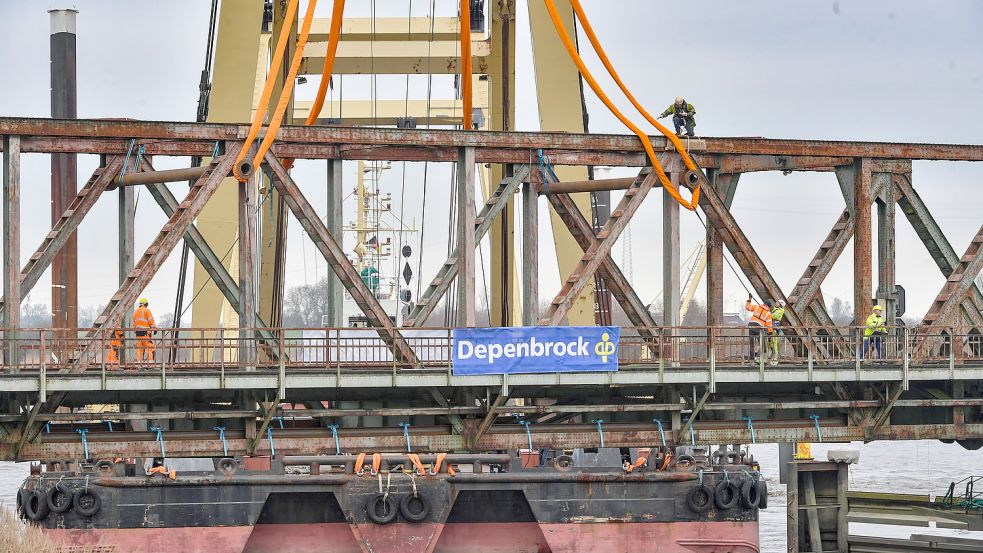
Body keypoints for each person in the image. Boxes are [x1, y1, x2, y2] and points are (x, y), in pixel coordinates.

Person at [746, 294, 774, 362]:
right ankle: (763, 359)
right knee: (762, 343)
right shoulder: (768, 313)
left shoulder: (757, 307)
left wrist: (749, 300)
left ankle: (752, 359)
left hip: (751, 325)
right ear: (768, 307)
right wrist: (770, 332)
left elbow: (748, 307)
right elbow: (769, 325)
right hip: (759, 328)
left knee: (752, 343)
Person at [133, 298, 157, 363]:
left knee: (139, 348)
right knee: (150, 347)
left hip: (138, 334)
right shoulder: (146, 310)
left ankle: (139, 362)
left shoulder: (135, 312)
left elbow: (134, 324)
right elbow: (151, 321)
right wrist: (154, 328)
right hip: (145, 333)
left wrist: (136, 331)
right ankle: (151, 361)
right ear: (145, 304)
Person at [769, 300, 786, 365]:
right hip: (771, 327)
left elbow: (774, 316)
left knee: (774, 342)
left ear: (780, 305)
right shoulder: (774, 309)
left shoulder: (780, 310)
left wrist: (767, 313)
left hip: (775, 327)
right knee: (770, 342)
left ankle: (775, 357)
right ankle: (771, 356)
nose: (776, 303)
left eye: (777, 302)